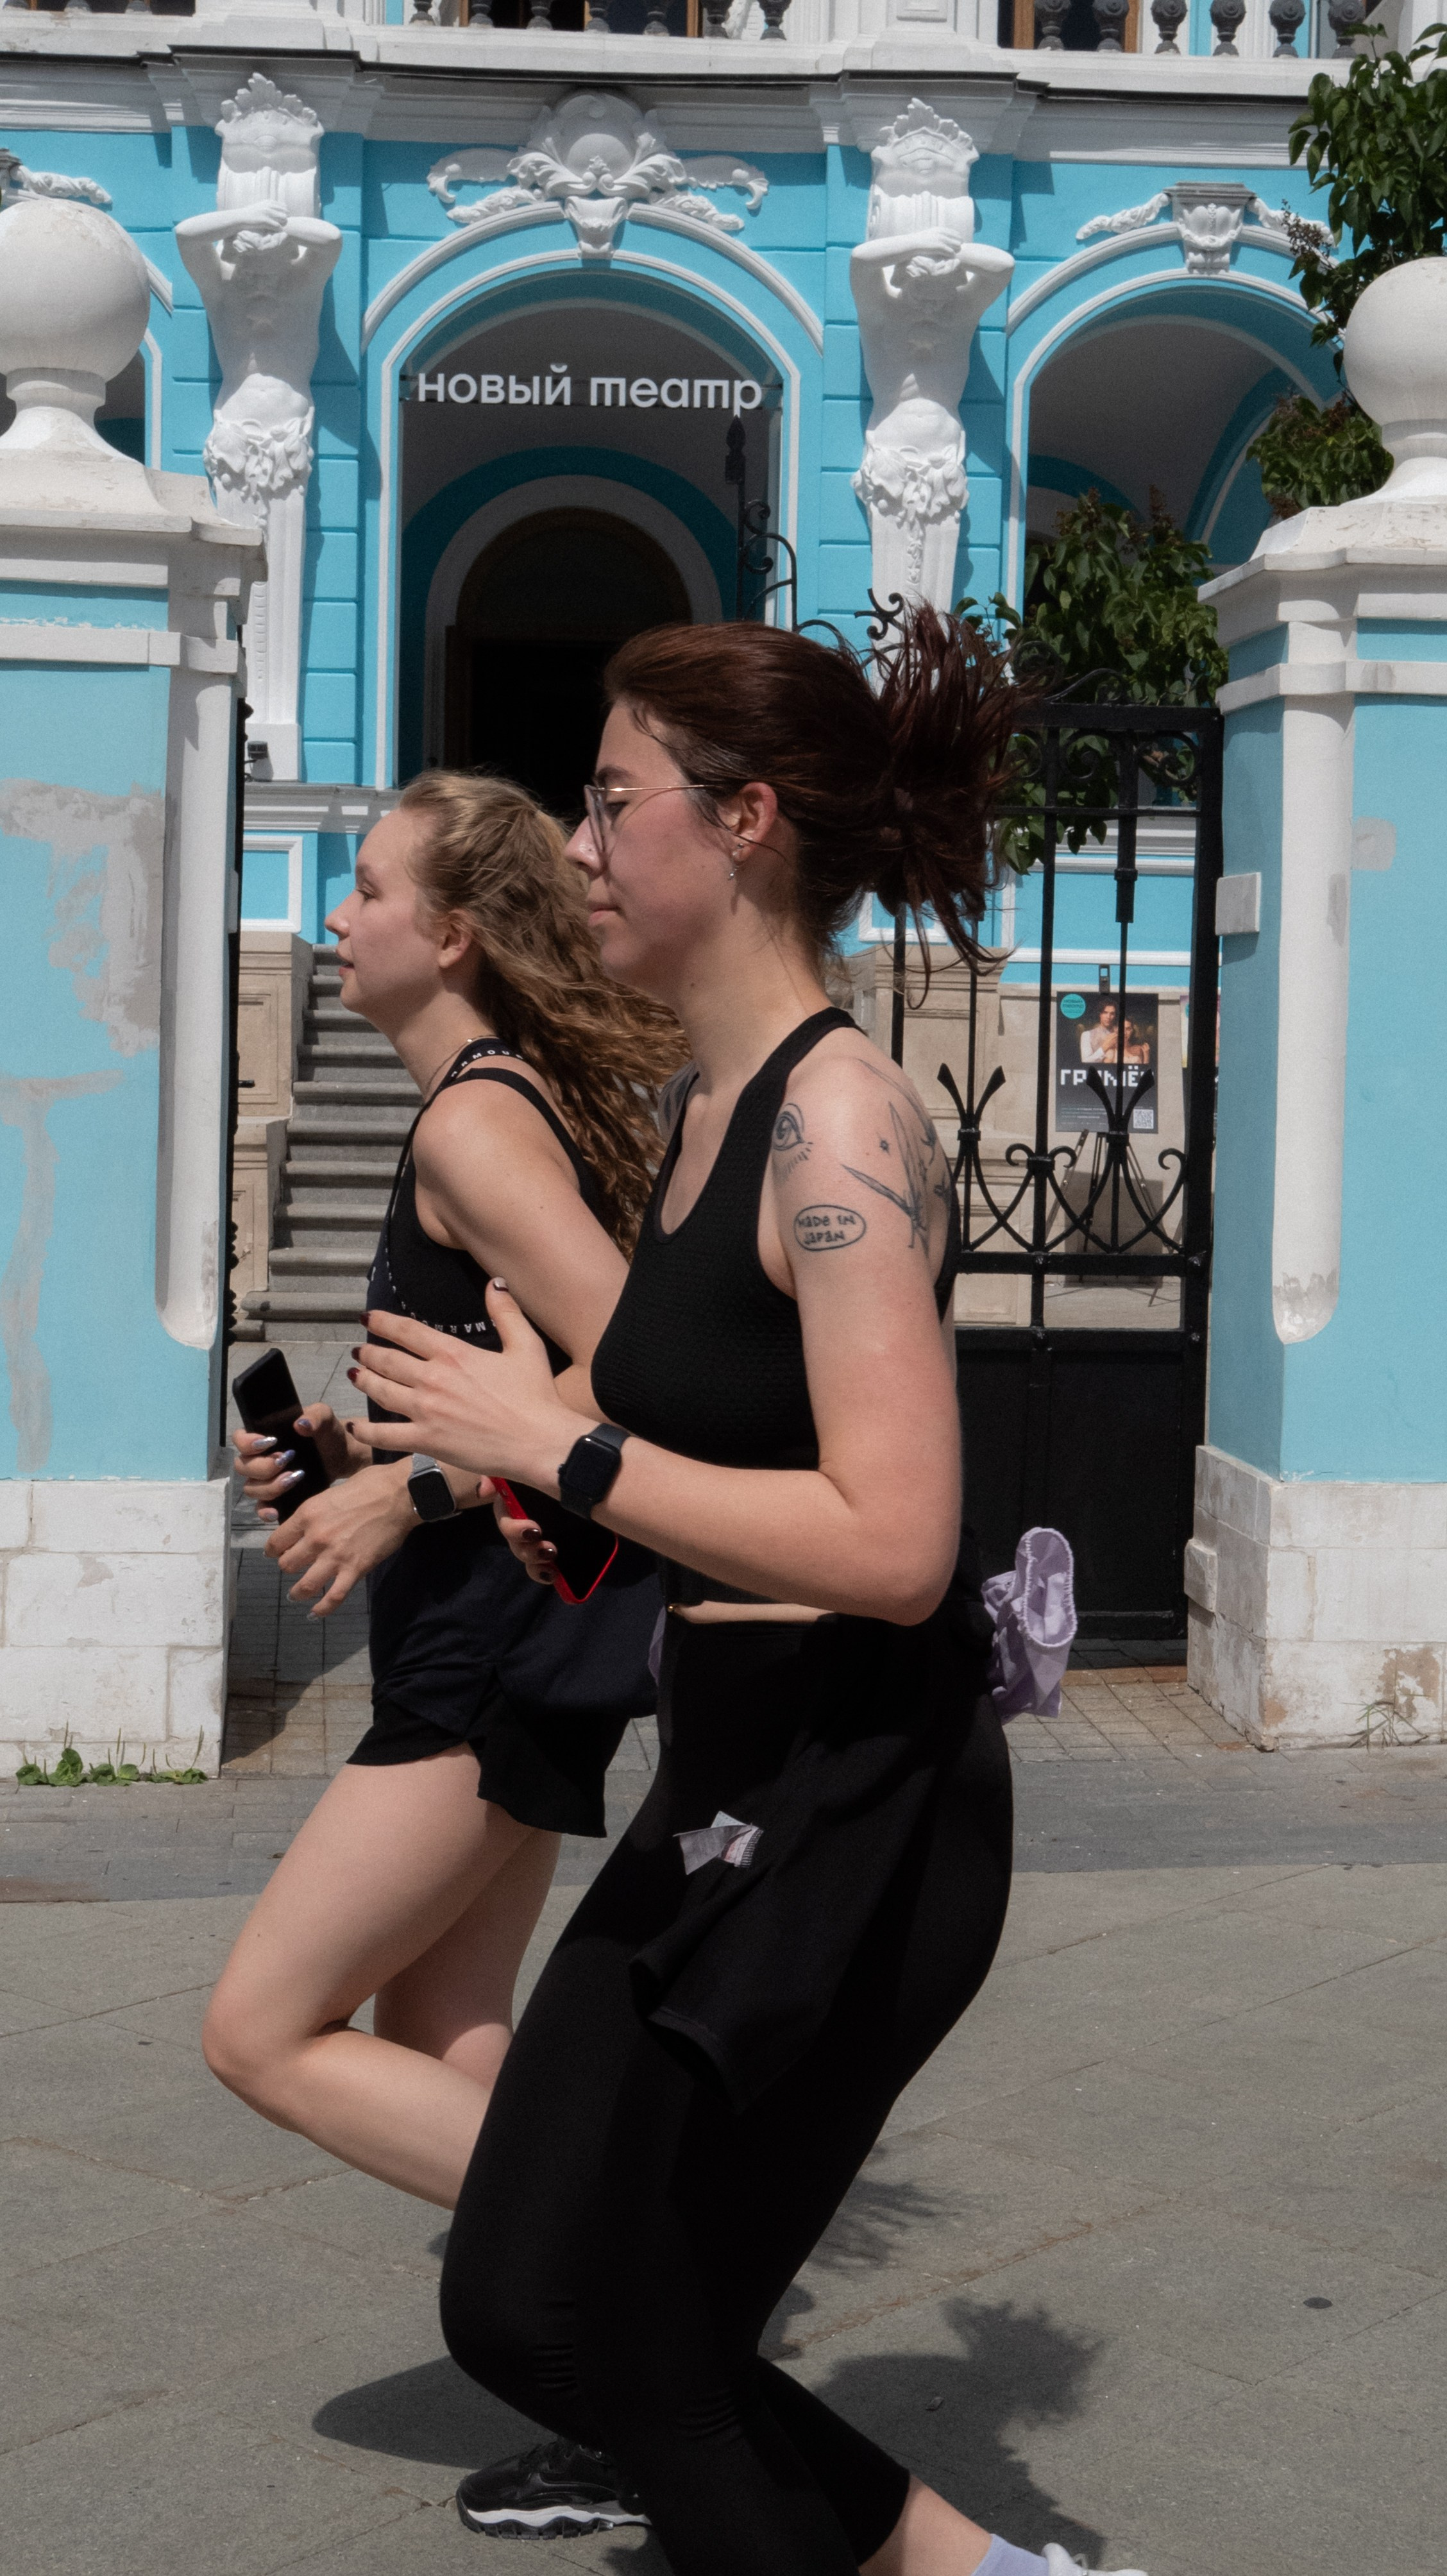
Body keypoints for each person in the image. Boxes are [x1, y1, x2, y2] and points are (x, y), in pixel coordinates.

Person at [349, 611, 1150, 2576]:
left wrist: (566, 1452)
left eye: (615, 803)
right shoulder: (708, 1122)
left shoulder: (835, 1122)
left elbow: (895, 1546)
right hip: (735, 1772)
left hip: (857, 1811)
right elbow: (744, 1479)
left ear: (749, 819)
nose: (584, 847)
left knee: (612, 2319)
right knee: (535, 2299)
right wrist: (559, 1499)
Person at [205, 772, 678, 2250]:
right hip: (495, 1638)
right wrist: (359, 1446)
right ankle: (591, 2377)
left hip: (489, 1655)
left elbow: (644, 1376)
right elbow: (516, 1376)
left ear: (455, 933)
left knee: (261, 2029)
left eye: (367, 890)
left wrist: (415, 1492)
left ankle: (664, 2270)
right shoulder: (477, 1112)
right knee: (443, 2042)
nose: (335, 917)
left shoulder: (478, 1129)